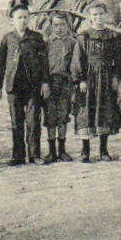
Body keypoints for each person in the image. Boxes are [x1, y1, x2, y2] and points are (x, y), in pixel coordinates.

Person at [0, 7, 50, 166]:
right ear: (12, 20)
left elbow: (44, 63)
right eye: (19, 17)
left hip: (32, 86)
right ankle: (18, 155)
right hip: (14, 86)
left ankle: (34, 154)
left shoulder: (36, 38)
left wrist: (45, 82)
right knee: (16, 122)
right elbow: (1, 64)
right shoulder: (7, 39)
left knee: (33, 121)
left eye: (25, 17)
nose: (23, 20)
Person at [72, 2, 121, 162]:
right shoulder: (84, 36)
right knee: (86, 110)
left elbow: (119, 59)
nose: (98, 17)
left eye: (101, 14)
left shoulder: (112, 36)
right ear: (89, 17)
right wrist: (81, 79)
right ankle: (85, 150)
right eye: (94, 14)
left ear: (106, 15)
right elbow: (78, 59)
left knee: (105, 109)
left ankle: (103, 150)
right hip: (89, 78)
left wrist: (115, 77)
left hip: (106, 77)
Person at [43, 14, 77, 162]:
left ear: (67, 26)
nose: (59, 28)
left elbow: (75, 64)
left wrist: (73, 84)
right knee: (50, 117)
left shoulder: (73, 43)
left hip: (65, 83)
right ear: (51, 26)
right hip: (50, 83)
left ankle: (62, 150)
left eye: (62, 24)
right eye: (56, 25)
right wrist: (44, 83)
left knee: (63, 117)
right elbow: (43, 65)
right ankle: (51, 151)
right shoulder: (46, 43)